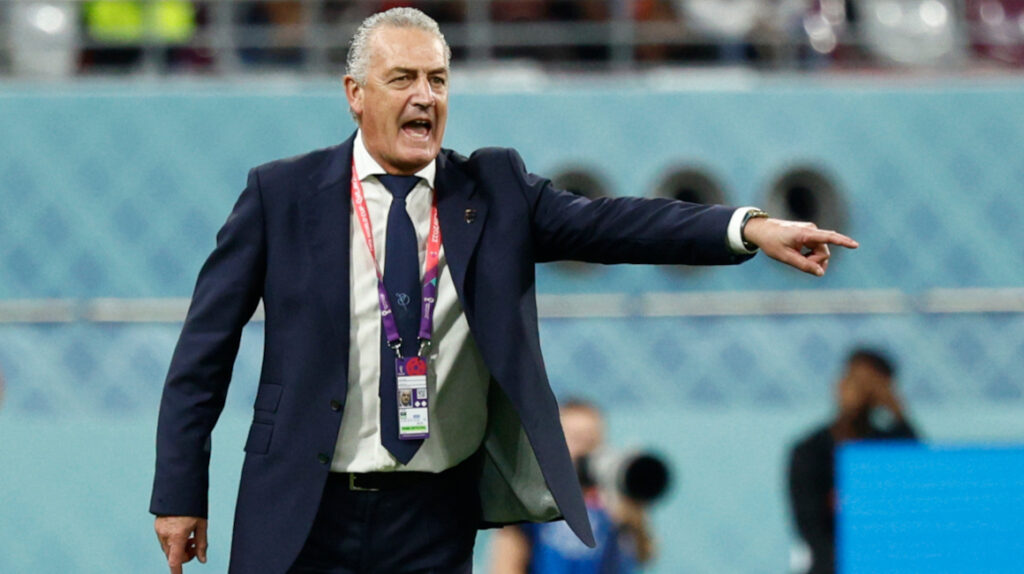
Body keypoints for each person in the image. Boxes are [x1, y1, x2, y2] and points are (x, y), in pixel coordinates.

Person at [150, 7, 858, 574]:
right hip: (302, 505)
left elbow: (615, 223)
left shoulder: (494, 190)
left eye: (438, 80)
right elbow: (203, 352)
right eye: (402, 79)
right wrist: (180, 492)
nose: (425, 96)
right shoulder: (280, 194)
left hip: (431, 515)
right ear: (355, 95)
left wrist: (747, 227)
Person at [787, 348, 918, 574]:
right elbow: (812, 529)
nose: (860, 391)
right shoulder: (810, 451)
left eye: (869, 384)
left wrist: (896, 409)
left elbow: (920, 474)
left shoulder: (890, 447)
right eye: (855, 380)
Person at [489, 399, 654, 573]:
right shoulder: (534, 500)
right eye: (576, 439)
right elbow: (506, 563)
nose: (584, 449)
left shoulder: (614, 502)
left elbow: (645, 555)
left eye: (591, 441)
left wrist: (634, 512)